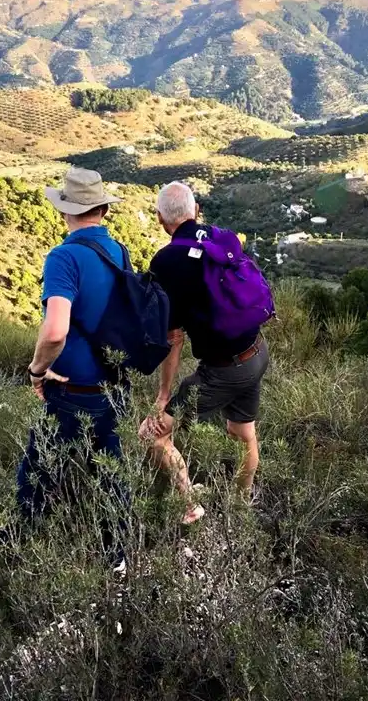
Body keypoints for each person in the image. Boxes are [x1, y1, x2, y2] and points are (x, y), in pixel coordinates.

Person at [16, 167, 129, 571]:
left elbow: (54, 331)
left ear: (66, 211)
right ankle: (117, 563)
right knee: (113, 478)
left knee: (37, 472)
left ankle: (20, 555)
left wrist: (36, 370)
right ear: (102, 209)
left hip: (71, 391)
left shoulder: (63, 257)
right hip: (116, 387)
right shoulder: (118, 252)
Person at [140, 181, 270, 514]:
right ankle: (242, 506)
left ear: (159, 219)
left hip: (223, 371)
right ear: (196, 211)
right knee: (242, 432)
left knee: (154, 435)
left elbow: (174, 336)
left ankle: (189, 506)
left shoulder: (167, 261)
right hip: (256, 351)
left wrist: (164, 395)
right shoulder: (218, 238)